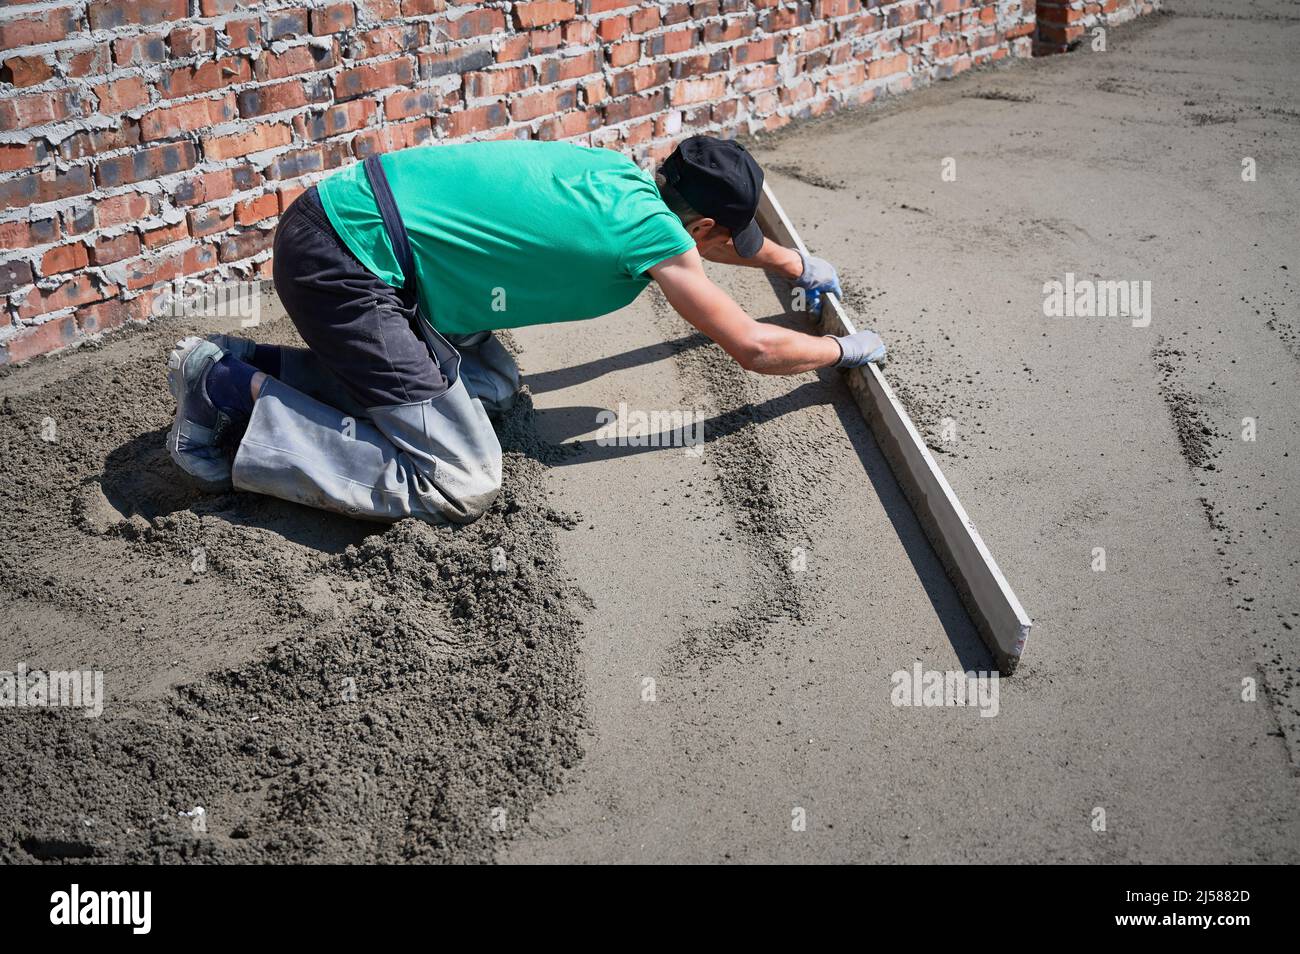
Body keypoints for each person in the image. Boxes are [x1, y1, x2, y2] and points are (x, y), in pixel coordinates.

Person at [165, 135, 886, 523]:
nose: (729, 248)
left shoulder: (617, 175)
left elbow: (728, 244)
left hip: (348, 223)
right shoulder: (656, 241)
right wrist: (841, 349)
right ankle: (230, 394)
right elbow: (753, 347)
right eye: (727, 237)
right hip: (349, 269)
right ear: (700, 226)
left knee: (491, 384)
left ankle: (240, 366)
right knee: (460, 479)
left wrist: (793, 263)